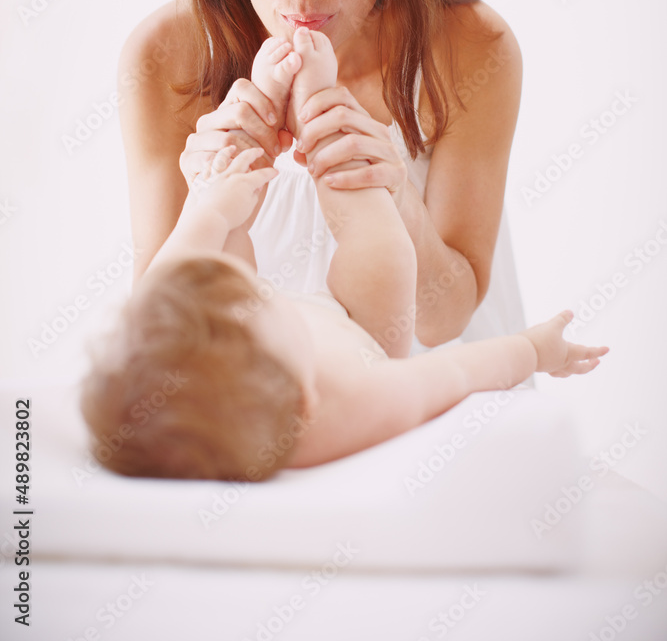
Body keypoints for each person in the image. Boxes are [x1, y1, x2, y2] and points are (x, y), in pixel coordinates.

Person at [81, 31, 609, 481]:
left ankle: (256, 120)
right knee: (380, 254)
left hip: (218, 327)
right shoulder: (347, 405)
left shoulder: (186, 368)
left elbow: (164, 291)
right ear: (304, 399)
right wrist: (536, 351)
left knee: (198, 260)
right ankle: (320, 107)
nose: (263, 299)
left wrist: (210, 209)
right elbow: (456, 371)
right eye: (256, 317)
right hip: (365, 329)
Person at [117, 0, 523, 349]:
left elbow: (442, 318)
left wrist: (397, 193)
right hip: (253, 395)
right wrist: (205, 204)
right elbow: (158, 334)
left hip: (438, 384)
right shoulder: (164, 55)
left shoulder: (473, 45)